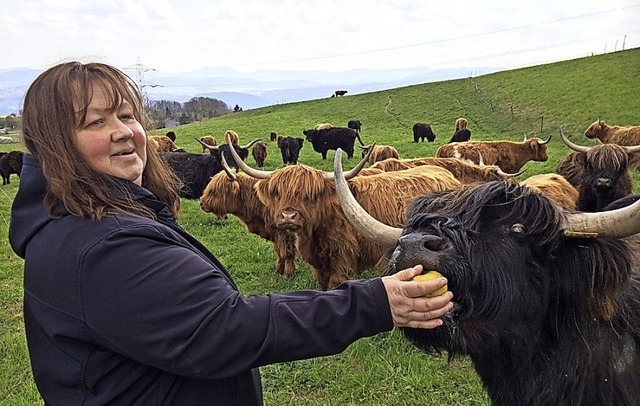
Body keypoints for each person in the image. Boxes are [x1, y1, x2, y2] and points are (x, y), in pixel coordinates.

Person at [9, 61, 453, 405]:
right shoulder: (103, 244)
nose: (125, 133)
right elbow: (223, 327)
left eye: (127, 115)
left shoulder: (78, 219)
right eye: (96, 122)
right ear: (54, 144)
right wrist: (375, 301)